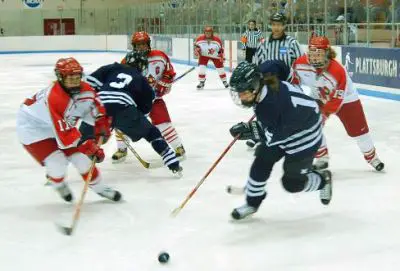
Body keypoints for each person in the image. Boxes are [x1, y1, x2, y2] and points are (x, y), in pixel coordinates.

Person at [228, 61, 332, 220]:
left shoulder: (271, 108)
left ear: (255, 87)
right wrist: (290, 80)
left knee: (292, 184)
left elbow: (274, 136)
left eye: (244, 93)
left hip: (305, 136)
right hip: (287, 122)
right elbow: (279, 66)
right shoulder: (265, 73)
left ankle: (322, 180)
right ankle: (252, 203)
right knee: (261, 161)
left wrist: (252, 130)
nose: (241, 98)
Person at [16, 57, 121, 202]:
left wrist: (101, 121)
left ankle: (101, 188)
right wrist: (88, 145)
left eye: (77, 77)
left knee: (82, 160)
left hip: (55, 124)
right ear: (60, 77)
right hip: (32, 127)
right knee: (57, 162)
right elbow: (65, 137)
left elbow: (96, 106)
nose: (75, 82)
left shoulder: (86, 90)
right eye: (70, 78)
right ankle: (58, 184)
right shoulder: (56, 98)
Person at [292, 36, 384, 171]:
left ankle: (372, 157)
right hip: (318, 98)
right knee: (310, 126)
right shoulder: (300, 64)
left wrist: (323, 114)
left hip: (347, 99)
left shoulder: (337, 71)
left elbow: (336, 100)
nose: (314, 57)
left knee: (359, 132)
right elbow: (294, 83)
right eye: (312, 53)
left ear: (327, 53)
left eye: (318, 54)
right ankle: (322, 157)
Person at [84, 51, 183, 177]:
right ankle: (172, 162)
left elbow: (89, 84)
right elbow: (145, 110)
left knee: (83, 137)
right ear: (142, 66)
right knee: (152, 133)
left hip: (99, 108)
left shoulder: (112, 67)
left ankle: (79, 157)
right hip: (124, 109)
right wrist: (126, 119)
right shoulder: (142, 80)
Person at [113, 31, 186, 162]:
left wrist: (165, 82)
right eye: (138, 45)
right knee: (122, 124)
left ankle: (178, 147)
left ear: (148, 44)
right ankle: (122, 149)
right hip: (134, 101)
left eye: (144, 44)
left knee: (163, 123)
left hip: (154, 99)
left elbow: (169, 72)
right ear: (134, 46)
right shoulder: (127, 61)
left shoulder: (159, 56)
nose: (141, 47)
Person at [247, 13, 303, 149]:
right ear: (270, 25)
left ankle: (278, 135)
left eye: (279, 24)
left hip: (285, 83)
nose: (276, 27)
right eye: (274, 24)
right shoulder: (264, 44)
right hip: (267, 82)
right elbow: (257, 64)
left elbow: (301, 62)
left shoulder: (292, 43)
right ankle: (261, 133)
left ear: (284, 25)